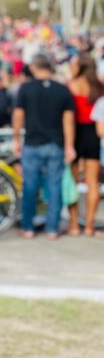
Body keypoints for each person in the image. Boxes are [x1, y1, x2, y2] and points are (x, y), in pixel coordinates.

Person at [13, 53, 75, 239]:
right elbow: (68, 121)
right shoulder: (62, 90)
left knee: (30, 186)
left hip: (32, 142)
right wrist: (70, 145)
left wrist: (16, 138)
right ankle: (52, 228)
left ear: (34, 68)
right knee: (54, 186)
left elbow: (18, 115)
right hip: (55, 143)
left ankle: (28, 227)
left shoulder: (26, 88)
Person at [66, 54, 102, 235]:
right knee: (92, 182)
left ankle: (73, 224)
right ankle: (89, 225)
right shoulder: (99, 87)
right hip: (94, 135)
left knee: (72, 182)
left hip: (74, 133)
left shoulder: (71, 86)